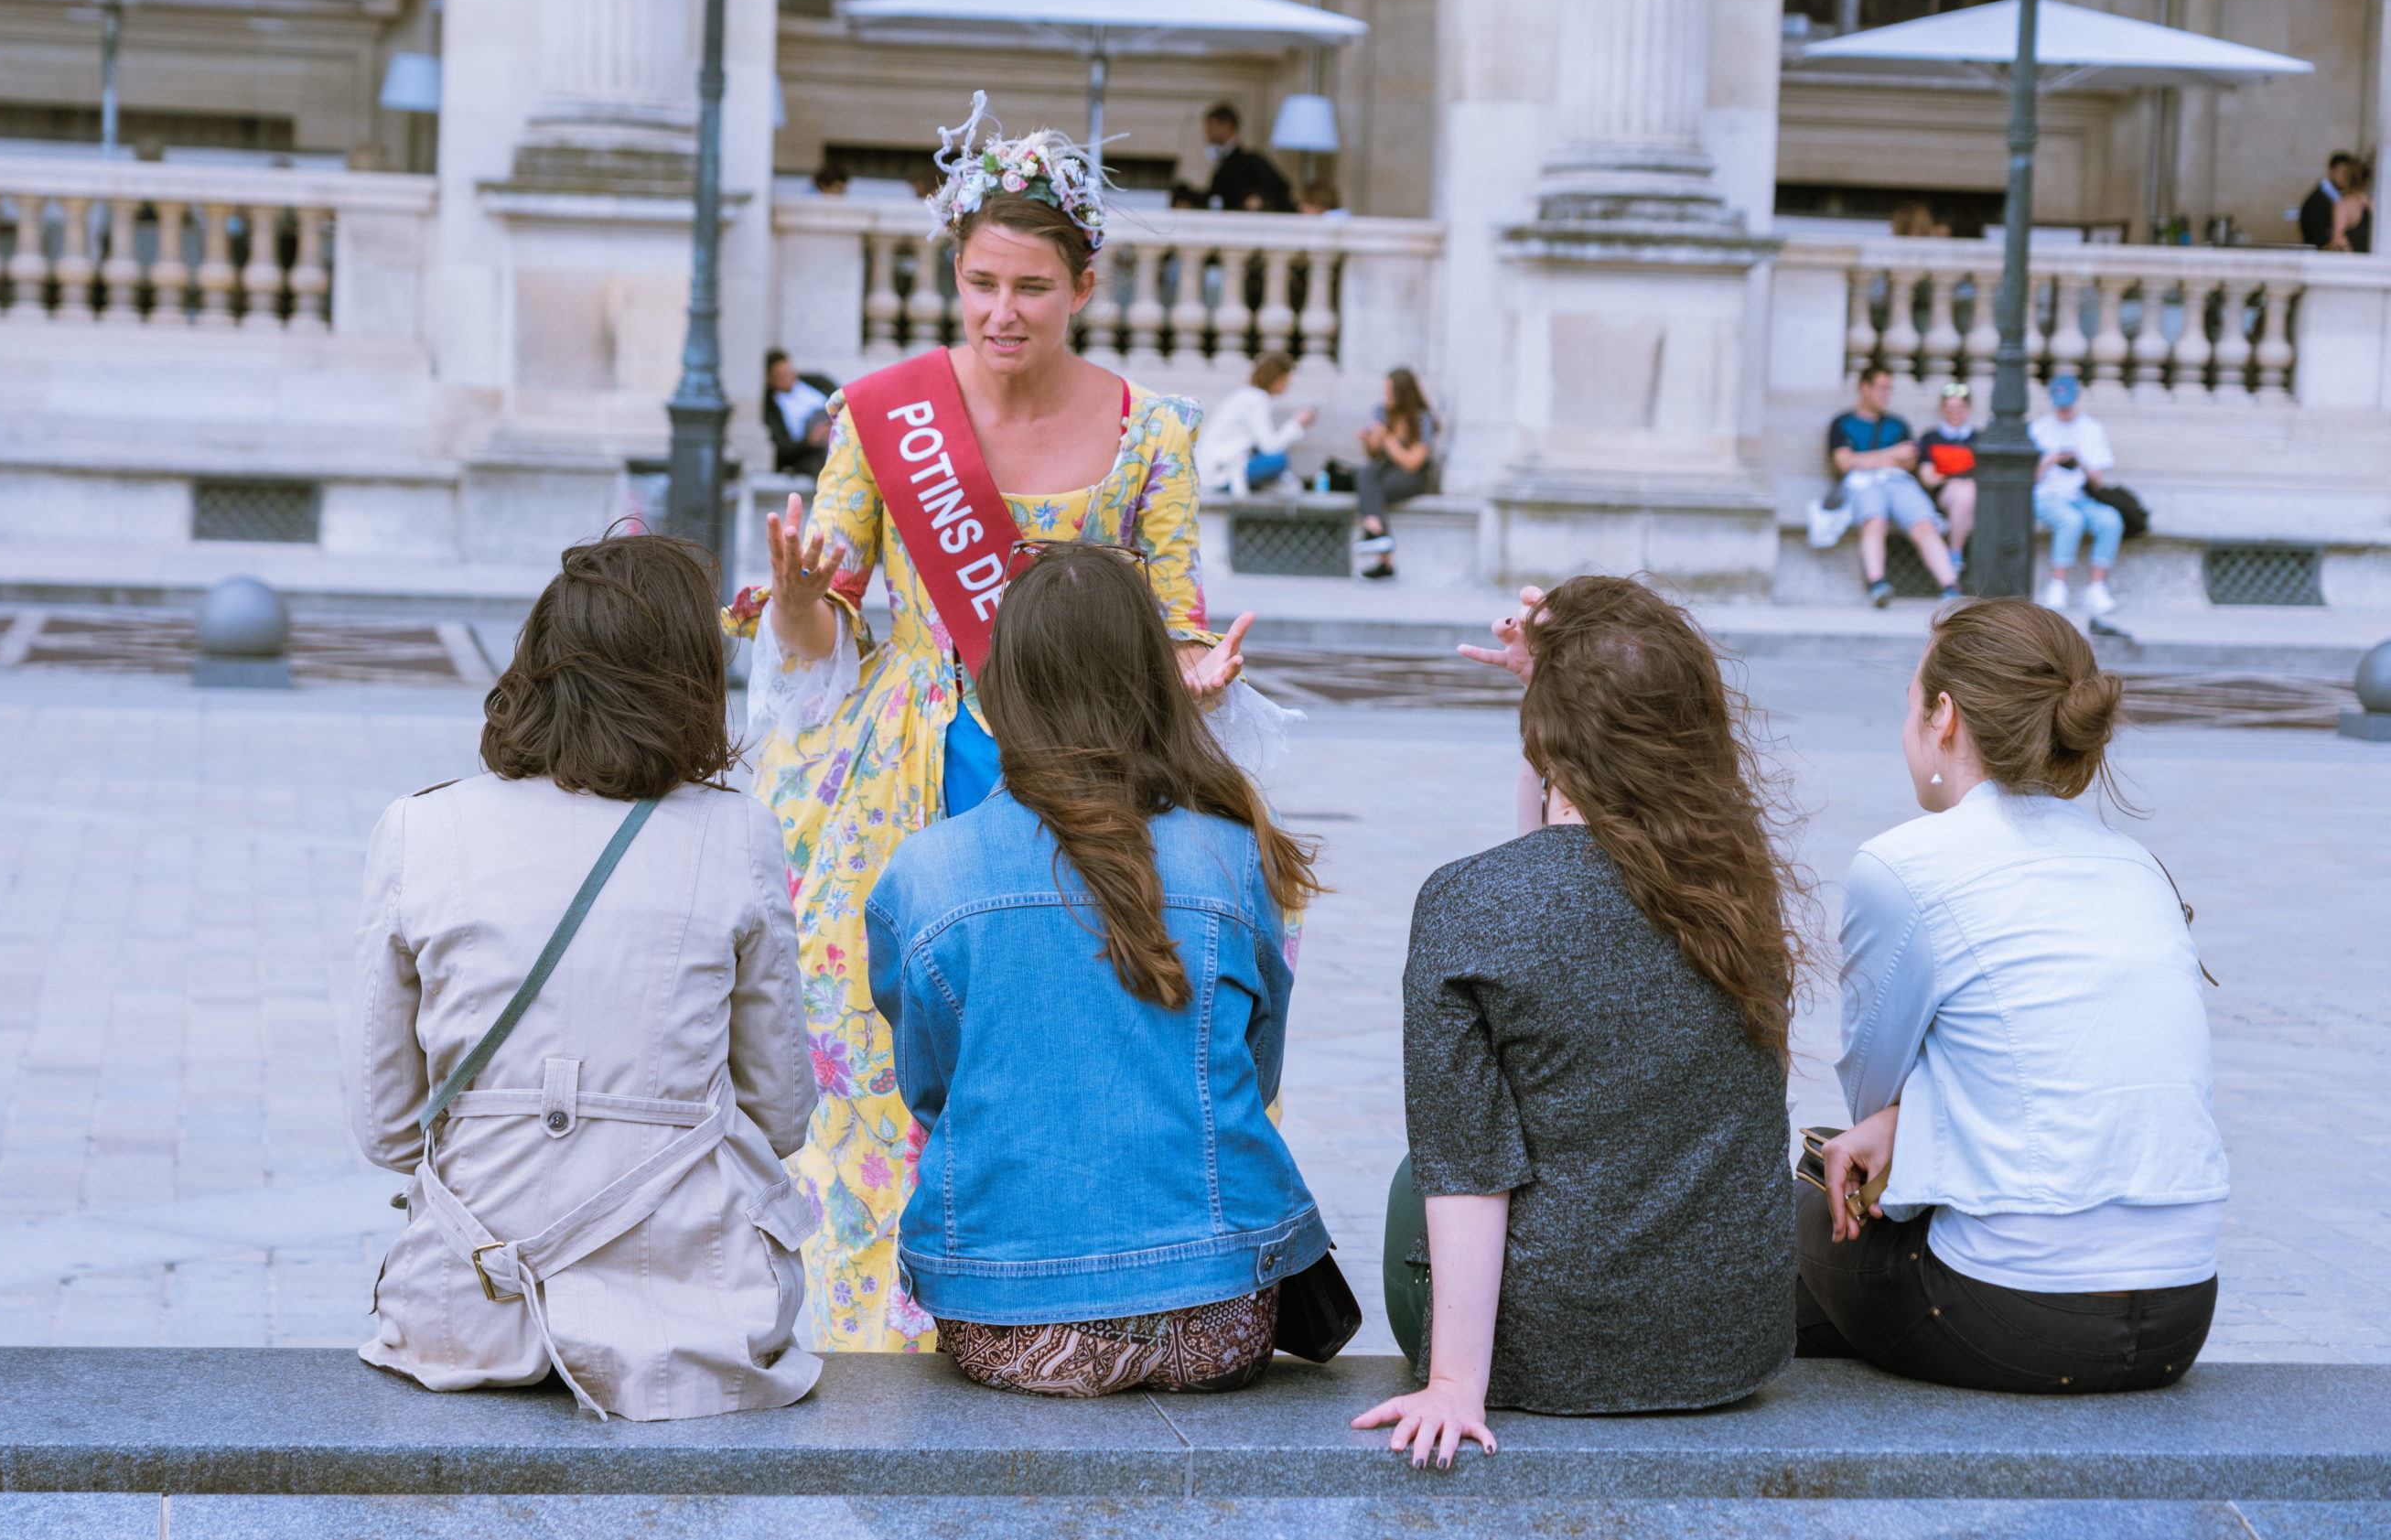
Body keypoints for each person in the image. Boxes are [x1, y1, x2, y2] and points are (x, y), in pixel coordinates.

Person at [731, 94, 1276, 1352]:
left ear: (1084, 283)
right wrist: (804, 607)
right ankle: (891, 1309)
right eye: (981, 282)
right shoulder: (883, 418)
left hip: (1098, 768)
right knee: (884, 1043)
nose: (1001, 312)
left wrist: (1195, 677)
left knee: (1088, 1039)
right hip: (908, 765)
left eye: (1032, 285)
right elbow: (824, 639)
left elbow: (1183, 619)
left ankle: (1083, 1279)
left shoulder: (1154, 435)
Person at [351, 532, 824, 1422]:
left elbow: (383, 1126)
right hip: (689, 1313)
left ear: (534, 664)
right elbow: (782, 1113)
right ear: (693, 680)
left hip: (465, 1308)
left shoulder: (419, 828)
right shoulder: (739, 836)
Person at [1353, 577, 1801, 1467]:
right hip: (1731, 1346)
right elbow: (1561, 847)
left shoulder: (1467, 901)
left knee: (1422, 1174)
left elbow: (1467, 1169)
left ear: (1553, 744)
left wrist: (1453, 1386)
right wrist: (1558, 700)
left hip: (1544, 1349)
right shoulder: (1737, 885)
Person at [869, 542, 1328, 1397]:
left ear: (998, 692)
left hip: (1009, 1318)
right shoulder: (1233, 856)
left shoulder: (924, 875)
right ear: (1155, 690)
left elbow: (932, 1090)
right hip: (1219, 1311)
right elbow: (1256, 1072)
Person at [1798, 598, 2226, 1395]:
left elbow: (1866, 1094)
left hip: (2008, 1309)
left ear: (1946, 717)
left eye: (1910, 702)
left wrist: (1891, 1120)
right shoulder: (2135, 862)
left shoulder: (1904, 865)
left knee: (1778, 1216)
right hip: (2181, 1312)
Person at [1826, 366, 1959, 608]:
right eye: (1882, 388)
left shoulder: (1898, 424)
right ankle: (1877, 584)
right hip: (1862, 485)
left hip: (1899, 482)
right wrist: (1890, 455)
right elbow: (1844, 463)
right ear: (1864, 388)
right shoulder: (1842, 422)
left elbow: (1908, 461)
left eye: (1889, 389)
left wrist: (1864, 460)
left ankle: (1950, 587)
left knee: (1924, 524)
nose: (1887, 394)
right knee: (1874, 520)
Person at [2029, 373, 2121, 615]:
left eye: (2068, 405)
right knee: (2070, 521)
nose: (2064, 411)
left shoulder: (2092, 429)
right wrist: (2048, 461)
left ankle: (2096, 587)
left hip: (2079, 496)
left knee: (2110, 520)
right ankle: (2057, 584)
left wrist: (2081, 461)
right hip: (2045, 495)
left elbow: (2098, 482)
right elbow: (2028, 480)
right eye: (2060, 406)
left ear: (2078, 399)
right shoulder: (2039, 429)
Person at [1353, 367, 1437, 581]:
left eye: (1390, 392)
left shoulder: (1422, 419)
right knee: (1364, 473)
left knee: (1373, 490)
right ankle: (1377, 531)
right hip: (1385, 471)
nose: (1386, 397)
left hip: (1413, 477)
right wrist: (1370, 440)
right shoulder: (1380, 412)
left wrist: (1387, 438)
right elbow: (1374, 456)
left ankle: (1382, 551)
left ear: (1403, 394)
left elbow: (1413, 463)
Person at [1196, 352, 1315, 494]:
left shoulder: (1247, 395)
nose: (1288, 385)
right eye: (1286, 379)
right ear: (1277, 379)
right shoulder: (1256, 399)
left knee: (1283, 475)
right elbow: (1270, 447)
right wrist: (1297, 423)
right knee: (1279, 460)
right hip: (1219, 472)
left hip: (1213, 468)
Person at [1912, 381, 1979, 578]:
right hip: (1944, 494)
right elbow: (1928, 477)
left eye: (1959, 408)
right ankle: (1955, 555)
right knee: (1965, 492)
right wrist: (1955, 477)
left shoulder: (1980, 438)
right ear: (1941, 409)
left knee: (1968, 492)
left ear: (1968, 409)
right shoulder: (1930, 437)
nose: (1954, 413)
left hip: (1974, 495)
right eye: (1949, 408)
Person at [1179, 102, 1296, 213]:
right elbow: (1216, 195)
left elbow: (1281, 186)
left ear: (1227, 125)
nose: (1207, 131)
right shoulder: (1224, 159)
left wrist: (1258, 198)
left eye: (1212, 125)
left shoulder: (1249, 159)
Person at [761, 349, 838, 478]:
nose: (788, 378)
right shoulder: (773, 408)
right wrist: (810, 440)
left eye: (789, 372)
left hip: (835, 433)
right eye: (781, 376)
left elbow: (842, 397)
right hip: (807, 452)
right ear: (771, 380)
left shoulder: (815, 382)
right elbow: (784, 446)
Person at [2298, 150, 2371, 252]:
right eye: (2342, 172)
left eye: (2347, 174)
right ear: (2331, 171)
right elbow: (2318, 238)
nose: (2343, 177)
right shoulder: (2317, 201)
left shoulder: (2343, 201)